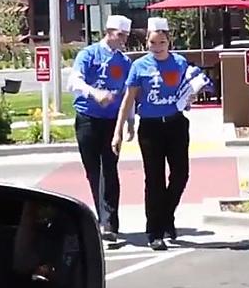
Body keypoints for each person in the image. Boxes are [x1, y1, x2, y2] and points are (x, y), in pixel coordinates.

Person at [113, 17, 192, 251]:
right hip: (150, 128)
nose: (157, 48)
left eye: (162, 43)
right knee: (154, 180)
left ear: (169, 42)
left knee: (181, 175)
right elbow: (128, 100)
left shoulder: (180, 63)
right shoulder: (139, 67)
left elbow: (186, 93)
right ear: (147, 43)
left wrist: (190, 99)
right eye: (153, 43)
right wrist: (118, 132)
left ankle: (167, 215)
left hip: (176, 125)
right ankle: (155, 231)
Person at [67, 14, 134, 241]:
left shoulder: (124, 62)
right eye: (120, 35)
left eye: (126, 35)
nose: (124, 39)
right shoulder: (88, 54)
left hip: (112, 123)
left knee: (110, 170)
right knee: (93, 171)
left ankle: (109, 223)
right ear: (109, 31)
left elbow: (128, 94)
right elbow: (74, 81)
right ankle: (101, 216)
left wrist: (130, 121)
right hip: (87, 118)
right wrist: (94, 93)